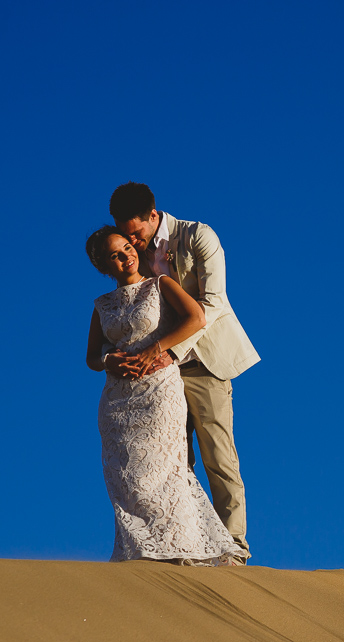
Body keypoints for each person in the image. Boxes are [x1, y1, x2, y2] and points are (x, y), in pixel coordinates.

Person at [108, 182, 260, 565]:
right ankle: (184, 547)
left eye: (136, 233)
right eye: (124, 234)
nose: (130, 241)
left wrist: (166, 351)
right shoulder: (133, 253)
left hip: (203, 362)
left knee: (218, 456)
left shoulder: (198, 236)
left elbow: (213, 304)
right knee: (173, 461)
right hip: (157, 377)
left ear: (153, 216)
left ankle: (234, 548)